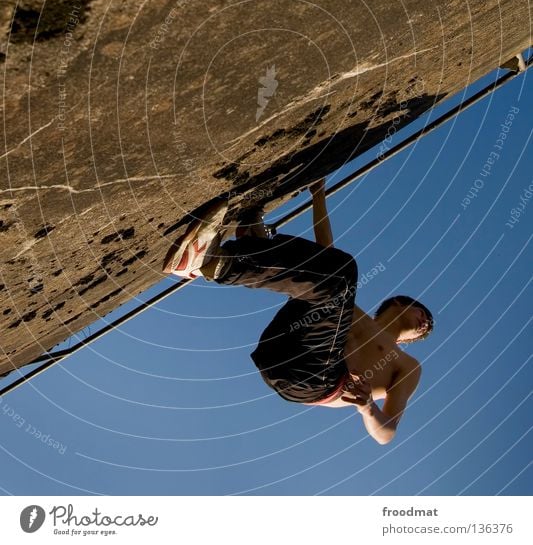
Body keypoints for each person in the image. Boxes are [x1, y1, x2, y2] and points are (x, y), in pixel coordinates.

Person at [163, 180, 433, 444]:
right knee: (329, 275)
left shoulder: (407, 366)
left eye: (427, 327)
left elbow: (387, 433)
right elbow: (327, 255)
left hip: (313, 380)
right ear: (400, 303)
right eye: (424, 314)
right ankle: (252, 239)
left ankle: (214, 262)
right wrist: (318, 196)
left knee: (340, 279)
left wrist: (367, 409)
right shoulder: (348, 314)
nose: (426, 323)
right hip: (281, 350)